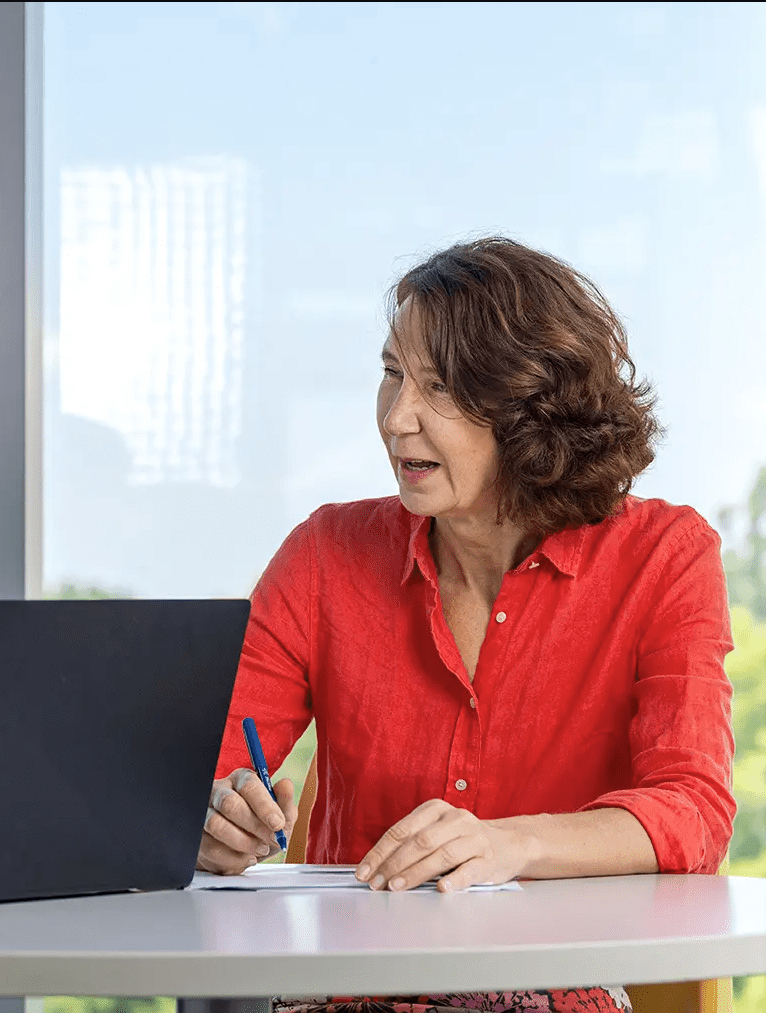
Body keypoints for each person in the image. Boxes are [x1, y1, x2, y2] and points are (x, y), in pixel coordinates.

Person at [197, 237, 735, 1013]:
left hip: (556, 991)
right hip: (350, 995)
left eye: (441, 388)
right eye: (391, 375)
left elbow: (692, 807)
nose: (396, 419)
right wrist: (214, 815)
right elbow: (198, 773)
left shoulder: (664, 556)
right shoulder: (325, 552)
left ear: (531, 405)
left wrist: (511, 843)